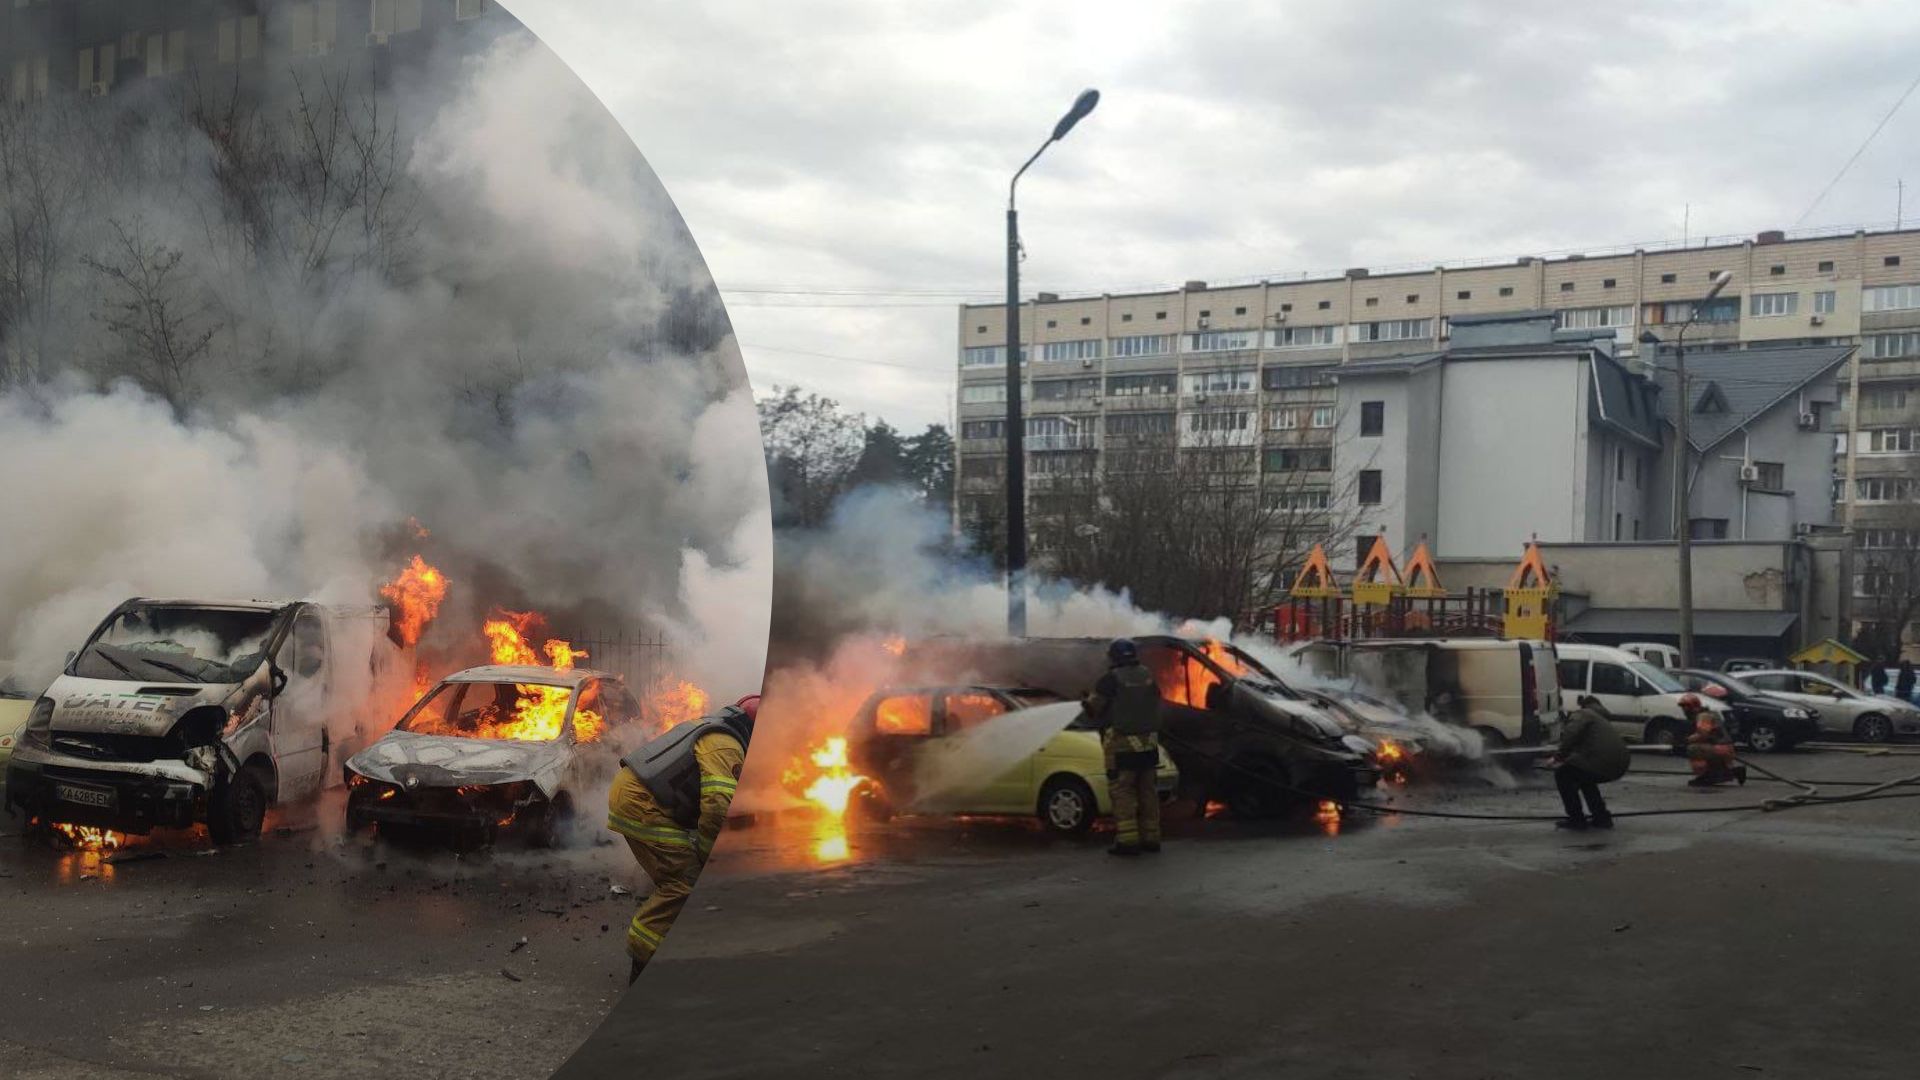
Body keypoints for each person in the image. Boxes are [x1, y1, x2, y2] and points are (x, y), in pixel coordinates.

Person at [606, 694, 757, 983]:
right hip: (642, 805)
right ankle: (643, 960)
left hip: (639, 798)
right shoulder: (725, 745)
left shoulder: (716, 731)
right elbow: (717, 810)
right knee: (684, 883)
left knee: (681, 874)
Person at [1082, 637, 1162, 856]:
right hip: (1149, 746)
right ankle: (1152, 838)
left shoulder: (1110, 680)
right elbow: (1156, 701)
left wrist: (1084, 702)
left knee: (1123, 793)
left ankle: (1127, 841)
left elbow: (1094, 708)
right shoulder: (1147, 675)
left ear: (1114, 657)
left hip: (1122, 747)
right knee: (1147, 792)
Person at [1549, 695, 1629, 830]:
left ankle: (1576, 820)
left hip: (1602, 761)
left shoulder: (1584, 714)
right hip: (1620, 763)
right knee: (1584, 776)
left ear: (1583, 706)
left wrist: (1558, 757)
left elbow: (1571, 733)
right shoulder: (1601, 718)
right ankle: (1601, 817)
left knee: (1563, 775)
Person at [1681, 693, 1745, 788]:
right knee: (1700, 748)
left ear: (1693, 706)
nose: (1685, 710)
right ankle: (1728, 772)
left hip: (1721, 748)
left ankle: (1706, 775)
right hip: (1724, 748)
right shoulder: (1709, 713)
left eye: (1686, 707)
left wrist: (1687, 740)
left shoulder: (1703, 716)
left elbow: (1703, 734)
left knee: (1693, 749)